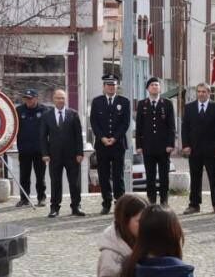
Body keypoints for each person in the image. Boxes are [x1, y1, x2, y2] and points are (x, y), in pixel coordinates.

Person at [89, 76, 132, 214]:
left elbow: (125, 123)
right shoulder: (97, 102)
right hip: (102, 144)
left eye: (113, 85)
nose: (111, 87)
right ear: (104, 87)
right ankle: (106, 202)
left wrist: (114, 138)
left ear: (117, 86)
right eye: (108, 85)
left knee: (118, 175)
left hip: (118, 144)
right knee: (103, 175)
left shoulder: (124, 102)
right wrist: (102, 137)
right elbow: (94, 122)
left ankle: (120, 202)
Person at [181, 83, 215, 214]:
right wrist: (185, 145)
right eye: (199, 91)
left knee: (214, 178)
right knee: (195, 178)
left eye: (204, 92)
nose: (201, 94)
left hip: (211, 149)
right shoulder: (189, 107)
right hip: (194, 149)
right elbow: (185, 128)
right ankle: (194, 204)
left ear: (209, 93)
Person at [43, 89, 85, 218]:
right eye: (58, 98)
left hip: (72, 155)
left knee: (74, 182)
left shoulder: (73, 114)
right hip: (54, 155)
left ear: (66, 99)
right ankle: (54, 208)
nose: (60, 100)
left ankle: (76, 206)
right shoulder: (47, 115)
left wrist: (80, 153)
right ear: (53, 99)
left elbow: (78, 135)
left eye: (62, 98)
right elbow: (42, 136)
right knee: (55, 182)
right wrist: (45, 153)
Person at [136, 78, 177, 207]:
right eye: (152, 85)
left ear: (160, 88)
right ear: (148, 88)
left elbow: (171, 125)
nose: (154, 87)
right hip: (148, 146)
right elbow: (139, 126)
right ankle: (151, 201)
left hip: (163, 147)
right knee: (150, 176)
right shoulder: (142, 104)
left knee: (164, 176)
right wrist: (139, 145)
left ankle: (164, 200)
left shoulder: (167, 103)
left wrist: (170, 144)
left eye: (157, 85)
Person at [15, 89, 48, 207]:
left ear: (36, 98)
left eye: (30, 98)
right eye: (26, 98)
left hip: (39, 150)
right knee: (24, 176)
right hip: (24, 149)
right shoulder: (19, 110)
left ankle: (41, 198)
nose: (28, 101)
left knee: (40, 176)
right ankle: (24, 198)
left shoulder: (44, 110)